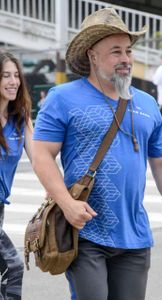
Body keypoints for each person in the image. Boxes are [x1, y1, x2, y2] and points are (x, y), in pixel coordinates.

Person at [31, 8, 162, 300]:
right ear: (92, 56)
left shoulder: (147, 103)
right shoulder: (62, 98)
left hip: (134, 233)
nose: (125, 59)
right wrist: (67, 204)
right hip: (83, 232)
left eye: (129, 51)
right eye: (116, 51)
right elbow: (42, 155)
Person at [0, 52, 33, 300]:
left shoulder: (20, 117)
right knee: (13, 266)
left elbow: (40, 159)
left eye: (16, 76)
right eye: (5, 76)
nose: (13, 81)